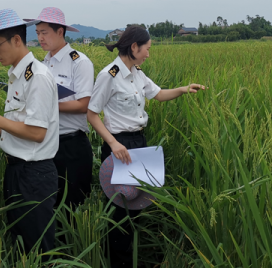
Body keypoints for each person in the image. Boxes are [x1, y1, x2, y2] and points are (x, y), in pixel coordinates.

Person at [87, 25, 205, 268]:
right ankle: (117, 262)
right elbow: (92, 114)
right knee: (119, 211)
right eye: (147, 49)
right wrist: (113, 142)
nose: (148, 54)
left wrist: (184, 89)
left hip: (139, 143)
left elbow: (158, 94)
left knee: (136, 205)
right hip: (119, 145)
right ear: (134, 47)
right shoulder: (108, 75)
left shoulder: (136, 72)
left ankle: (130, 259)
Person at [0, 8, 59, 255]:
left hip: (34, 175)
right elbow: (21, 124)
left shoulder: (36, 77)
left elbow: (38, 133)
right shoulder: (16, 74)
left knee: (37, 247)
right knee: (20, 242)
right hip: (16, 170)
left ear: (16, 40)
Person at [25, 7, 95, 209]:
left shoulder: (79, 62)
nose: (40, 38)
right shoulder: (42, 64)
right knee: (49, 202)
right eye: (37, 33)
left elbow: (84, 105)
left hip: (71, 144)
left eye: (44, 32)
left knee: (73, 204)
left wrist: (49, 105)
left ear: (60, 32)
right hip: (47, 143)